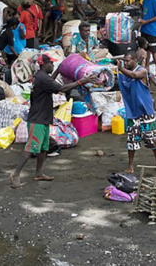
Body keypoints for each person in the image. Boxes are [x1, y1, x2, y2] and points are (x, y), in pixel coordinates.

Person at [10, 55, 95, 188]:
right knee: (30, 148)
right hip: (37, 119)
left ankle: (38, 173)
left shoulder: (40, 76)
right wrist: (81, 81)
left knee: (43, 148)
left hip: (43, 117)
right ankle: (15, 174)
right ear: (44, 64)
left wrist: (58, 71)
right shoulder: (42, 78)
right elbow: (61, 89)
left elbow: (50, 82)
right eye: (51, 64)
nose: (52, 66)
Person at [117, 53, 156, 174]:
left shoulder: (141, 71)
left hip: (146, 111)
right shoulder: (125, 73)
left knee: (153, 138)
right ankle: (130, 165)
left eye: (127, 61)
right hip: (133, 111)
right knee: (131, 140)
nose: (125, 63)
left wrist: (121, 69)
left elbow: (134, 75)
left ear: (135, 61)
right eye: (124, 62)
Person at [139, 0, 156, 78]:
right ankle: (147, 66)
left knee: (153, 49)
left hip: (152, 28)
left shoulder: (154, 0)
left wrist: (146, 21)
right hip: (144, 28)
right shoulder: (144, 0)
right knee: (146, 49)